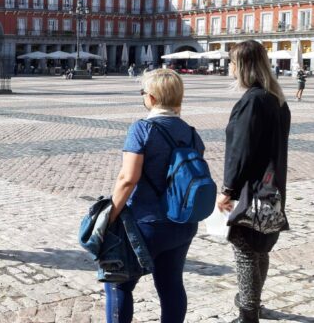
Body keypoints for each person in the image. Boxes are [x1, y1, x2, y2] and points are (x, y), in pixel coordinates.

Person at [105, 69, 205, 323]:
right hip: (182, 222)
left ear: (150, 97)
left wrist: (110, 216)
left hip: (146, 223)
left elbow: (128, 178)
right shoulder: (192, 133)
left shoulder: (143, 129)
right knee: (171, 285)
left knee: (119, 285)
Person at [217, 40, 291, 323]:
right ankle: (253, 305)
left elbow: (241, 150)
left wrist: (228, 190)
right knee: (261, 246)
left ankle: (248, 315)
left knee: (245, 249)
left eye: (233, 62)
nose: (230, 68)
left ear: (243, 66)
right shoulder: (276, 99)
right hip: (272, 189)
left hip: (252, 190)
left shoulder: (252, 101)